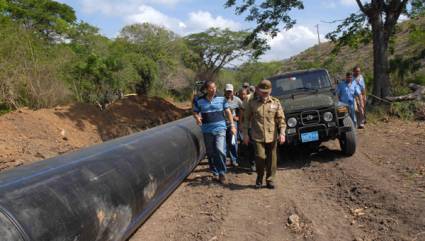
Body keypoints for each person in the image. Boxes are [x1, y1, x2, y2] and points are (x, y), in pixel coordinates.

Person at [243, 79, 286, 189]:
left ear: (271, 90)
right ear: (258, 90)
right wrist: (245, 134)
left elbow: (281, 119)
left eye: (267, 92)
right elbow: (246, 119)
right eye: (262, 91)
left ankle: (270, 180)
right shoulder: (252, 102)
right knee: (260, 157)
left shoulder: (275, 102)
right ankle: (259, 177)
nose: (264, 94)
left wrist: (282, 133)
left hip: (272, 135)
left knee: (272, 159)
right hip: (257, 135)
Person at [193, 81, 236, 184]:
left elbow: (228, 112)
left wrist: (232, 125)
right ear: (206, 89)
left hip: (220, 128)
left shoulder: (221, 99)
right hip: (207, 130)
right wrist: (197, 117)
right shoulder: (199, 101)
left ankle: (222, 172)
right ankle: (214, 170)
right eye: (211, 88)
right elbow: (195, 111)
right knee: (211, 152)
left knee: (220, 149)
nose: (213, 90)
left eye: (214, 88)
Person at [224, 84, 243, 167]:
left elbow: (243, 108)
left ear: (232, 91)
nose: (229, 93)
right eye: (227, 91)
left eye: (230, 91)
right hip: (222, 123)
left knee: (233, 142)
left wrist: (239, 117)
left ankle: (234, 160)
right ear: (224, 90)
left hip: (233, 124)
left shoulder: (237, 100)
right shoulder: (221, 100)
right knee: (223, 143)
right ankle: (223, 160)